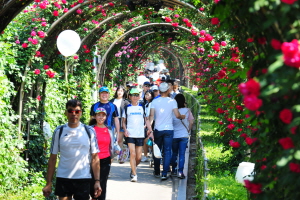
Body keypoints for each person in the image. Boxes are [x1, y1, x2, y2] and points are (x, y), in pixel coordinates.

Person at [42, 99, 101, 200]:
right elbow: (52, 158)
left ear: (81, 113)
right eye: (70, 111)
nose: (74, 114)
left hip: (83, 177)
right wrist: (49, 183)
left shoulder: (89, 131)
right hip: (63, 177)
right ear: (66, 113)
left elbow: (95, 158)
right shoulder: (59, 131)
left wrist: (97, 181)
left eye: (77, 111)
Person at [149, 82, 185, 180]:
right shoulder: (172, 101)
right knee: (167, 151)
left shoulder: (154, 101)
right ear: (168, 90)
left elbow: (151, 116)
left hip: (157, 129)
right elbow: (177, 115)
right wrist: (182, 116)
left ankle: (157, 171)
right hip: (169, 129)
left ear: (160, 91)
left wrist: (150, 129)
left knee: (157, 150)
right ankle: (164, 173)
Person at [122, 88, 154, 182]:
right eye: (133, 95)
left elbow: (147, 120)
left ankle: (133, 169)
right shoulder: (127, 108)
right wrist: (125, 130)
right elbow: (123, 122)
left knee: (139, 158)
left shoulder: (142, 107)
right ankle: (134, 175)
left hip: (140, 134)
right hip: (130, 134)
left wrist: (151, 131)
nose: (135, 97)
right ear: (130, 97)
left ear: (139, 96)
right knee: (132, 153)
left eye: (137, 95)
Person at [89, 107, 120, 200]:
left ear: (106, 117)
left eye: (103, 115)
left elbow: (113, 144)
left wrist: (116, 150)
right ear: (95, 116)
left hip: (105, 160)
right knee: (92, 183)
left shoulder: (109, 129)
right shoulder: (90, 129)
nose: (101, 117)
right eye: (99, 115)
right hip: (93, 160)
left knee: (102, 184)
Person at [171, 94, 194, 179]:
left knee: (174, 153)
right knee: (182, 154)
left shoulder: (173, 111)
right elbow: (191, 122)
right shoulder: (188, 111)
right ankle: (180, 172)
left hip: (174, 135)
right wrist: (188, 130)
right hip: (184, 135)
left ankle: (173, 170)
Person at [109, 85, 129, 154]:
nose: (120, 92)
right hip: (112, 120)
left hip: (121, 120)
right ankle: (111, 152)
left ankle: (119, 154)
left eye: (121, 91)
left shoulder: (126, 102)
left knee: (119, 139)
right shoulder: (111, 101)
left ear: (124, 92)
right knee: (111, 138)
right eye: (118, 90)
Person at [141, 90, 154, 162]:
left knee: (148, 141)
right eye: (146, 95)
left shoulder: (152, 104)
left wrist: (147, 126)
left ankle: (153, 154)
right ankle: (145, 155)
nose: (147, 96)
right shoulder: (146, 104)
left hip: (149, 125)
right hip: (146, 124)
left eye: (148, 95)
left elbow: (150, 116)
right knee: (144, 141)